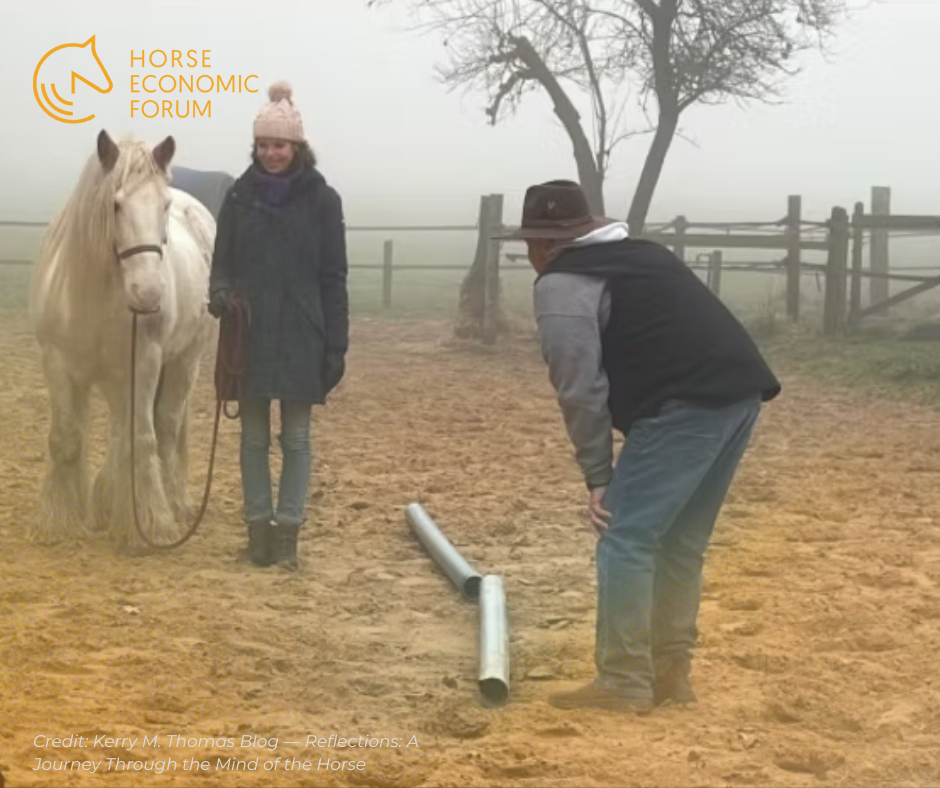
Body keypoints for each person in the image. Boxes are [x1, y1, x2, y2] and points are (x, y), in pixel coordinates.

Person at [499, 180, 781, 713]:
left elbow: (579, 388)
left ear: (543, 244)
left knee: (624, 535)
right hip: (740, 396)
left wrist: (598, 475)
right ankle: (670, 674)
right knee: (679, 541)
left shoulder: (562, 283)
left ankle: (624, 678)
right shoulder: (642, 255)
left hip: (684, 407)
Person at [207, 81, 349, 570]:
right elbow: (221, 261)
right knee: (252, 439)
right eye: (264, 145)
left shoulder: (323, 201)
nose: (271, 153)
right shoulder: (238, 198)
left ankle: (287, 532)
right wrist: (220, 293)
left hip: (303, 333)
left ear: (297, 147)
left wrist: (336, 345)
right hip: (248, 334)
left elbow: (334, 276)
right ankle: (257, 531)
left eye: (280, 145)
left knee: (296, 438)